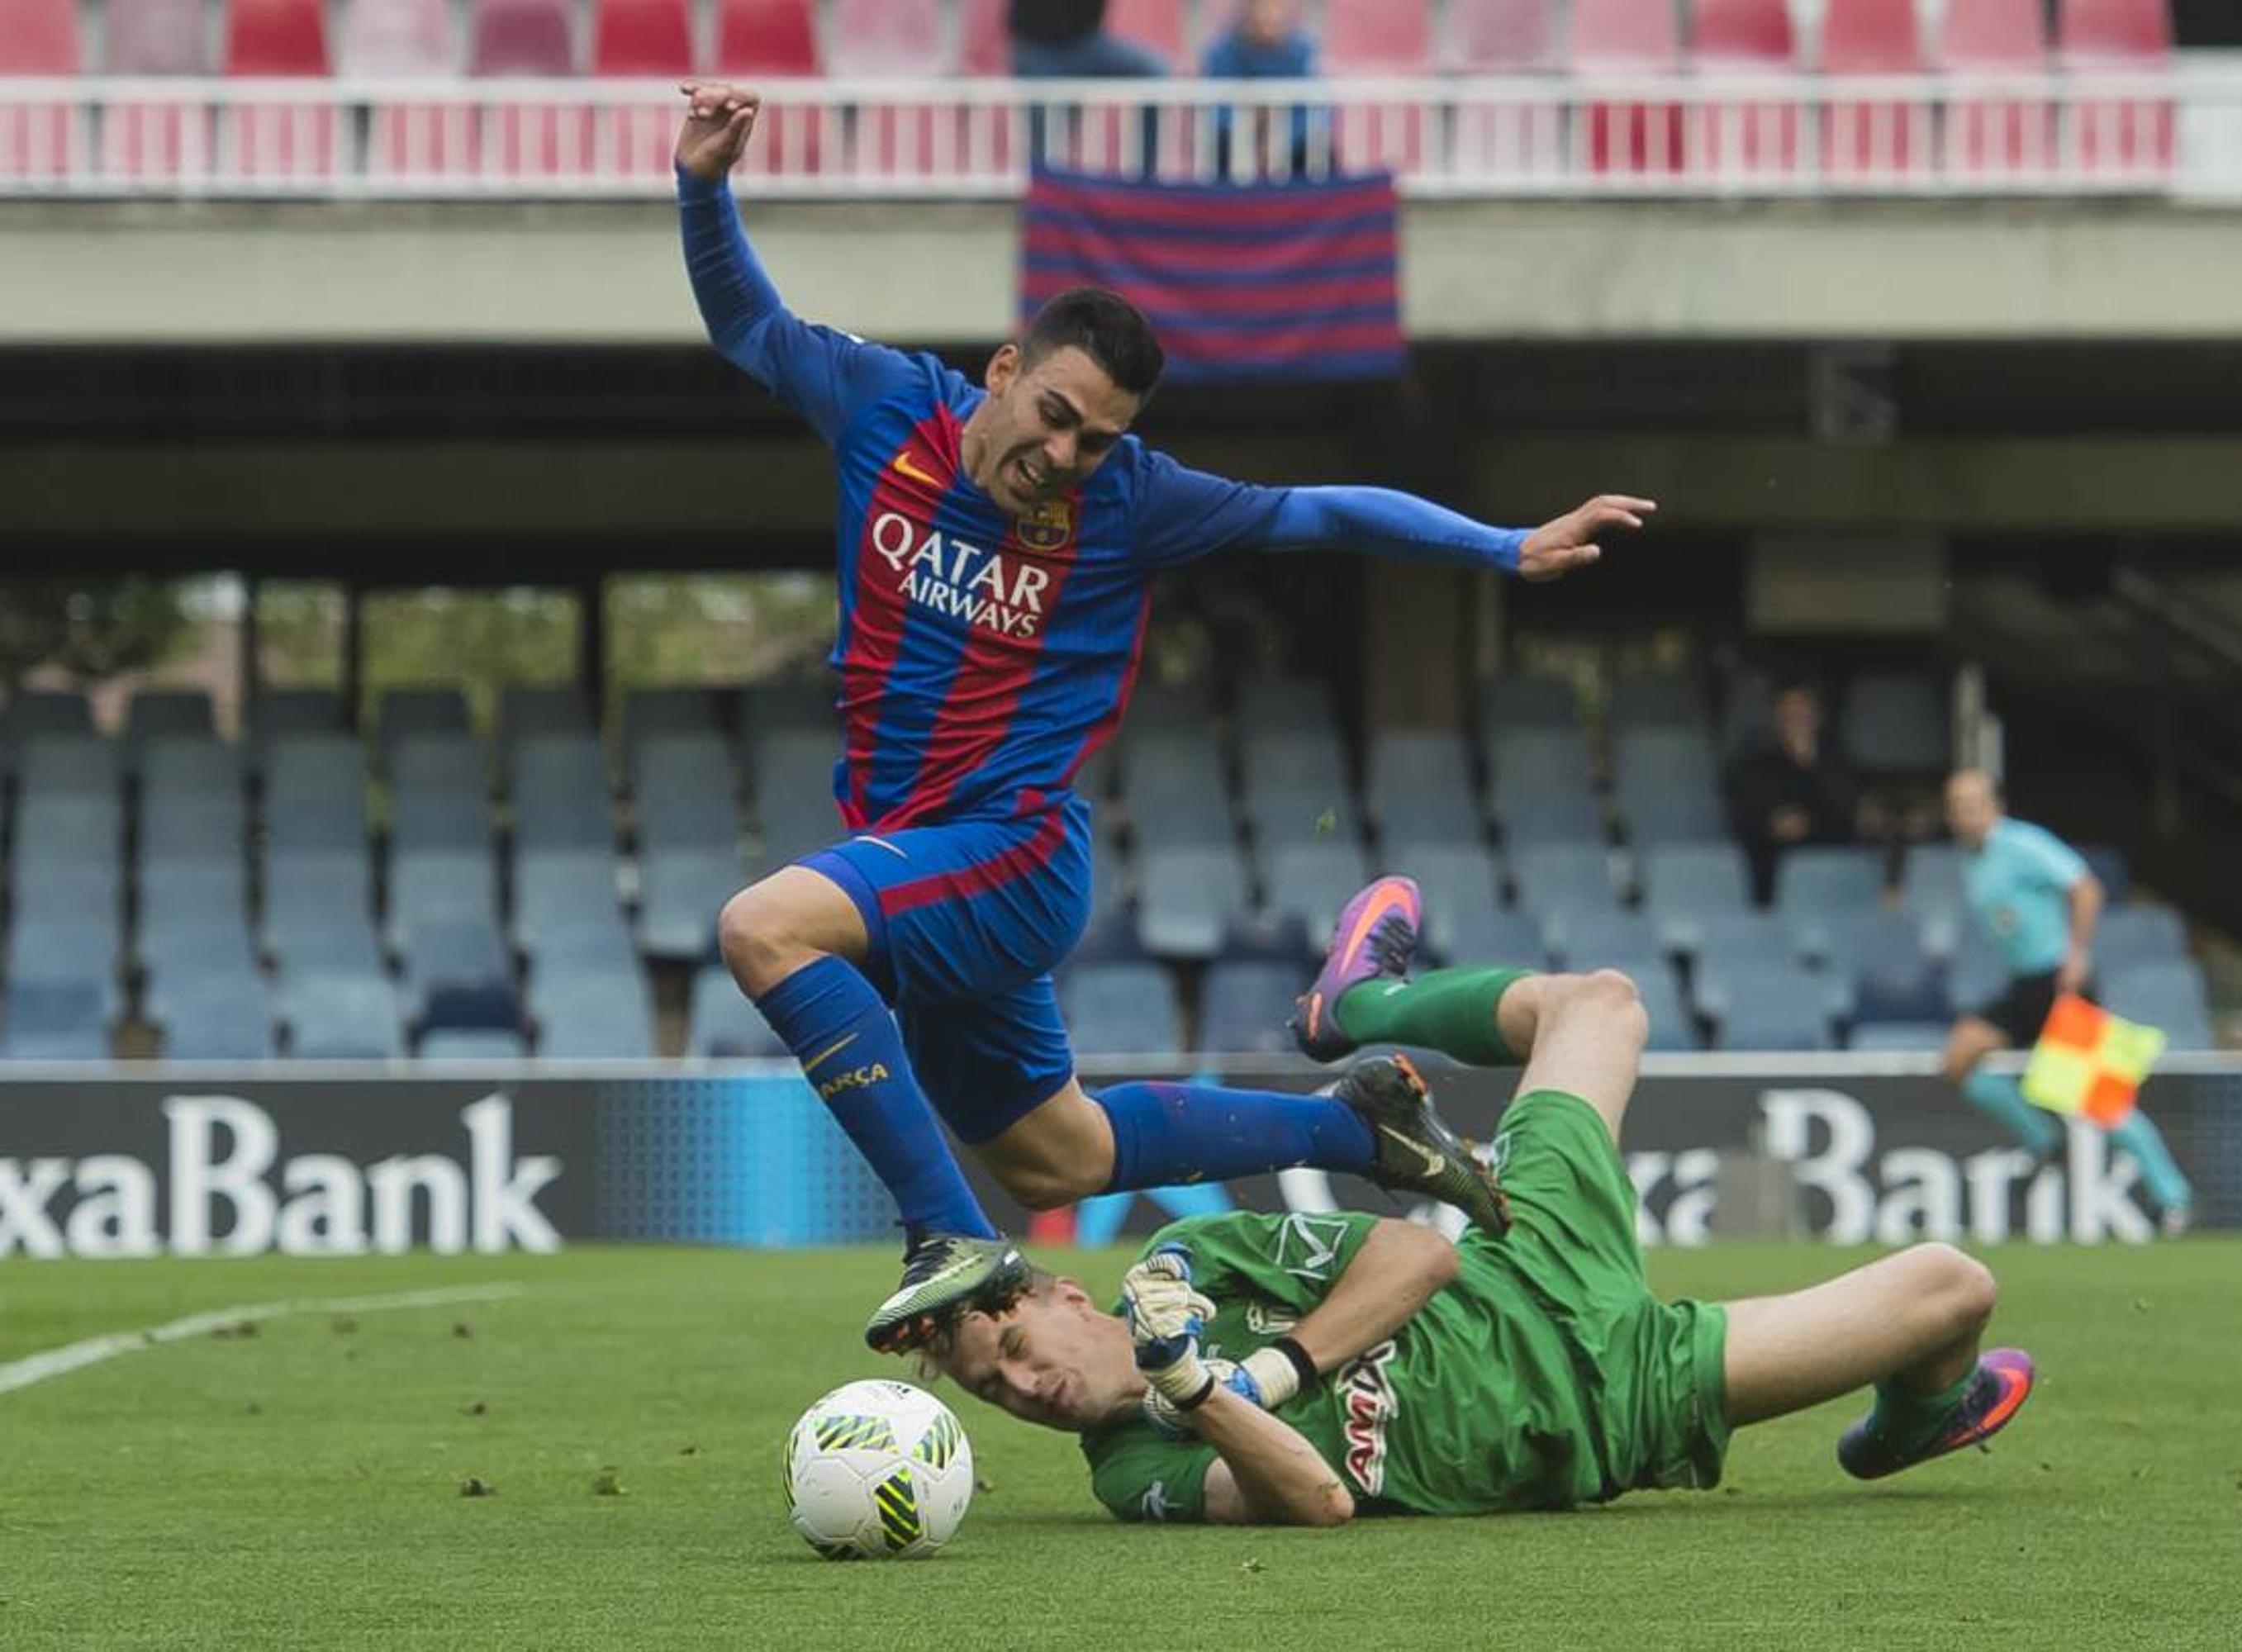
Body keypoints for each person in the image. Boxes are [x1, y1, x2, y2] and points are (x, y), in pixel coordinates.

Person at [672, 84, 1657, 1354]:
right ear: (1006, 372)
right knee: (1056, 1153)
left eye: (1101, 438)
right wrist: (704, 184)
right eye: (1058, 417)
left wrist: (1505, 544)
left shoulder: (1132, 503)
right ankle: (1359, 1126)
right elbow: (747, 320)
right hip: (922, 853)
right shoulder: (880, 407)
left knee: (764, 928)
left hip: (1013, 852)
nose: (1071, 454)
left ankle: (940, 1234)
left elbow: (1323, 511)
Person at [924, 877, 2036, 1525]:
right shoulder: (1132, 1471)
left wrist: (1263, 1368)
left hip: (1526, 1260)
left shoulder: (1197, 1260)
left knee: (1600, 1002)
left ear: (1066, 1294)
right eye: (999, 1393)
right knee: (1955, 1286)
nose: (1028, 1387)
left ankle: (1362, 1005)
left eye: (1015, 1345)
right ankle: (1924, 1416)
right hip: (1616, 1401)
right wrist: (1198, 1391)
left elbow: (1423, 1262)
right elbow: (1318, 1504)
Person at [1937, 769, 2193, 1229]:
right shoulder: (1972, 860)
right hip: (2023, 985)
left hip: (2059, 981)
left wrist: (2077, 953)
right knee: (1958, 1059)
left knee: (2101, 1100)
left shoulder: (2021, 845)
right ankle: (2043, 1141)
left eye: (1972, 802)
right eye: (1956, 804)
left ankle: (2173, 1195)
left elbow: (2084, 886)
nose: (1963, 813)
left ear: (1997, 806)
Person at [1726, 681, 1863, 895]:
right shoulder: (1757, 767)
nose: (1797, 724)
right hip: (1779, 873)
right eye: (1789, 717)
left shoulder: (1837, 764)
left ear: (1817, 718)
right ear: (1777, 722)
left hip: (1835, 869)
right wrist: (1773, 826)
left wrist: (1811, 765)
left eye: (1803, 715)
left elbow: (1848, 810)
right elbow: (1753, 820)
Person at [1201, 0, 1325, 178]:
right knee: (1221, 145)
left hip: (1290, 146)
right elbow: (1216, 112)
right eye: (1262, 7)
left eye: (1276, 6)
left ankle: (1314, 202)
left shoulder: (1302, 51)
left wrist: (1279, 141)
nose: (1269, 15)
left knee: (1318, 147)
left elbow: (1315, 112)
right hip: (1236, 144)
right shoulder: (1221, 52)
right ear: (1247, 10)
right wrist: (1248, 137)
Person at [1008, 0, 1168, 78]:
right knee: (1045, 127)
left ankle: (1148, 146)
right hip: (1038, 50)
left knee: (1154, 73)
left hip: (1088, 43)